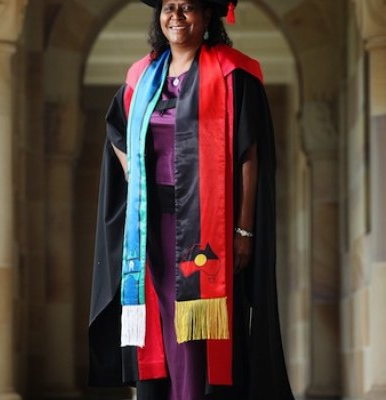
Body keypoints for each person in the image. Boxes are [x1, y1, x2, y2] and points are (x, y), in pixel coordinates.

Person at [89, 0, 295, 399]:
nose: (176, 16)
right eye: (168, 7)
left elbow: (249, 155)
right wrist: (133, 168)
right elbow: (116, 128)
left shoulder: (234, 74)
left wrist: (243, 228)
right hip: (153, 230)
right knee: (161, 331)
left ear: (206, 18)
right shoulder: (142, 77)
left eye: (187, 8)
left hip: (210, 229)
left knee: (202, 339)